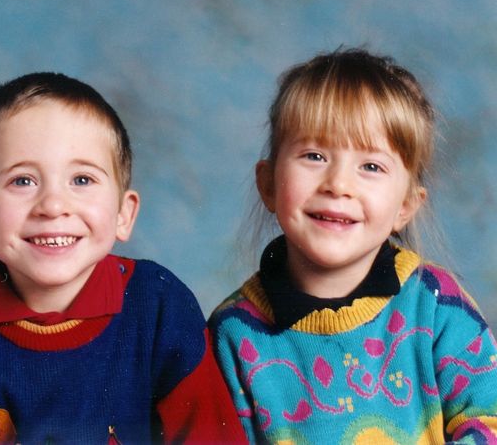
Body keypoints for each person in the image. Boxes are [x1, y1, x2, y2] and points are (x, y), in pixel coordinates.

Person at [0, 72, 247, 444]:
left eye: (81, 179)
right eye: (22, 181)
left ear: (123, 214)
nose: (53, 205)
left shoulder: (159, 305)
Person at [208, 49, 497, 443]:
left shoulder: (435, 305)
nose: (338, 184)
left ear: (406, 206)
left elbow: (489, 421)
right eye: (314, 155)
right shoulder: (233, 336)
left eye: (371, 167)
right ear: (269, 184)